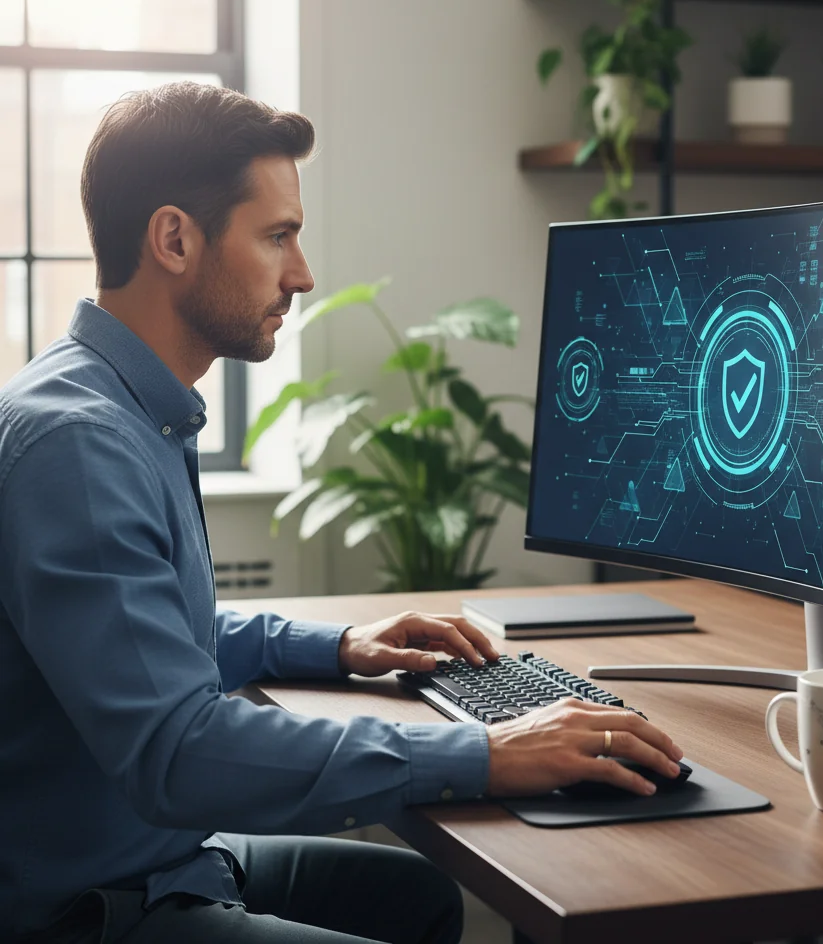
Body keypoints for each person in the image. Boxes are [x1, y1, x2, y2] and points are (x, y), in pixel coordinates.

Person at [0, 82, 685, 944]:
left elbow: (151, 640)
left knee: (418, 899)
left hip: (163, 857)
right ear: (175, 238)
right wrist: (486, 753)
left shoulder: (125, 406)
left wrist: (338, 646)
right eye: (277, 236)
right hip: (91, 907)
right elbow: (175, 749)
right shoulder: (77, 445)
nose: (303, 273)